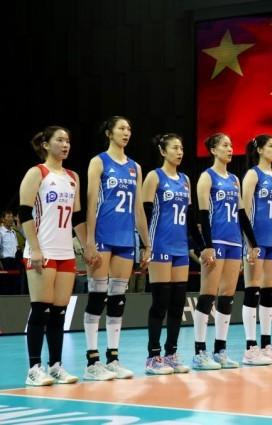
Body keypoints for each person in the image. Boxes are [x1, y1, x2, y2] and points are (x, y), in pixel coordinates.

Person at [19, 126, 92, 385]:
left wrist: (88, 246)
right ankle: (33, 369)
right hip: (42, 250)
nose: (65, 144)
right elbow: (24, 213)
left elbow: (77, 217)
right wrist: (35, 248)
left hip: (65, 252)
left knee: (59, 312)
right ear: (46, 144)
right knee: (41, 309)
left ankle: (56, 366)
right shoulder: (37, 173)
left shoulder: (73, 177)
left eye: (67, 140)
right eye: (59, 140)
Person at [83, 116, 151, 380]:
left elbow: (138, 209)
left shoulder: (135, 167)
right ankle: (92, 361)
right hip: (102, 235)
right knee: (97, 297)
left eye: (129, 129)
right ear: (109, 133)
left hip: (125, 238)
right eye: (121, 128)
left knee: (117, 299)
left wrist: (146, 242)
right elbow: (91, 202)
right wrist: (89, 240)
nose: (127, 132)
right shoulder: (99, 162)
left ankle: (113, 358)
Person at [192, 133, 259, 370]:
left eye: (231, 145)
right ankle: (199, 352)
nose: (230, 149)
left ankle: (220, 350)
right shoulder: (206, 177)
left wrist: (253, 242)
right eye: (225, 145)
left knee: (227, 295)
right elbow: (202, 214)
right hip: (216, 241)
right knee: (208, 294)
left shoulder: (233, 179)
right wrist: (207, 245)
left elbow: (242, 214)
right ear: (213, 150)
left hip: (234, 242)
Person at [142, 133, 198, 375]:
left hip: (180, 248)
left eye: (181, 148)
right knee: (160, 303)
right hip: (160, 246)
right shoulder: (155, 177)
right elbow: (144, 213)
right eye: (175, 148)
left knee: (177, 304)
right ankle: (153, 356)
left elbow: (191, 217)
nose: (180, 152)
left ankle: (171, 353)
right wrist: (145, 245)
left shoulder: (185, 180)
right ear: (163, 151)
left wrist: (200, 245)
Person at [241, 135, 272, 365]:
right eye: (270, 145)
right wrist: (249, 244)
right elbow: (244, 211)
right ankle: (250, 348)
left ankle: (266, 346)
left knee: (269, 291)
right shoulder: (253, 175)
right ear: (259, 150)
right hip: (257, 241)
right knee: (253, 289)